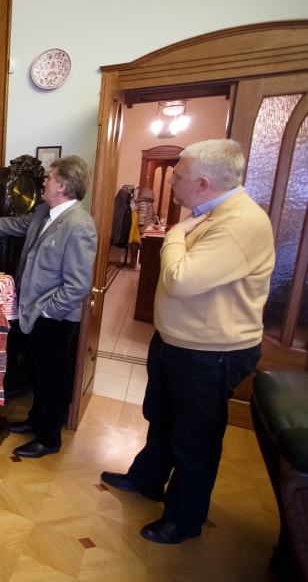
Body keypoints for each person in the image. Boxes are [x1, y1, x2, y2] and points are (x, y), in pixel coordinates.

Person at [100, 139, 274, 545]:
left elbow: (181, 280)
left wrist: (175, 233)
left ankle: (183, 519)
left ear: (203, 182)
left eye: (177, 175)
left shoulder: (241, 223)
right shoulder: (213, 214)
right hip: (179, 342)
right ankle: (146, 479)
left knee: (194, 438)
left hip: (210, 354)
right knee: (161, 417)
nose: (171, 181)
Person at [0, 155, 97, 459]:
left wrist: (46, 311)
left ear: (62, 185)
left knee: (53, 379)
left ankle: (48, 438)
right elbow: (14, 224)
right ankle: (35, 421)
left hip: (54, 317)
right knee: (38, 372)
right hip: (34, 313)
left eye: (49, 177)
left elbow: (77, 285)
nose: (44, 181)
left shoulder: (80, 225)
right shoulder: (44, 211)